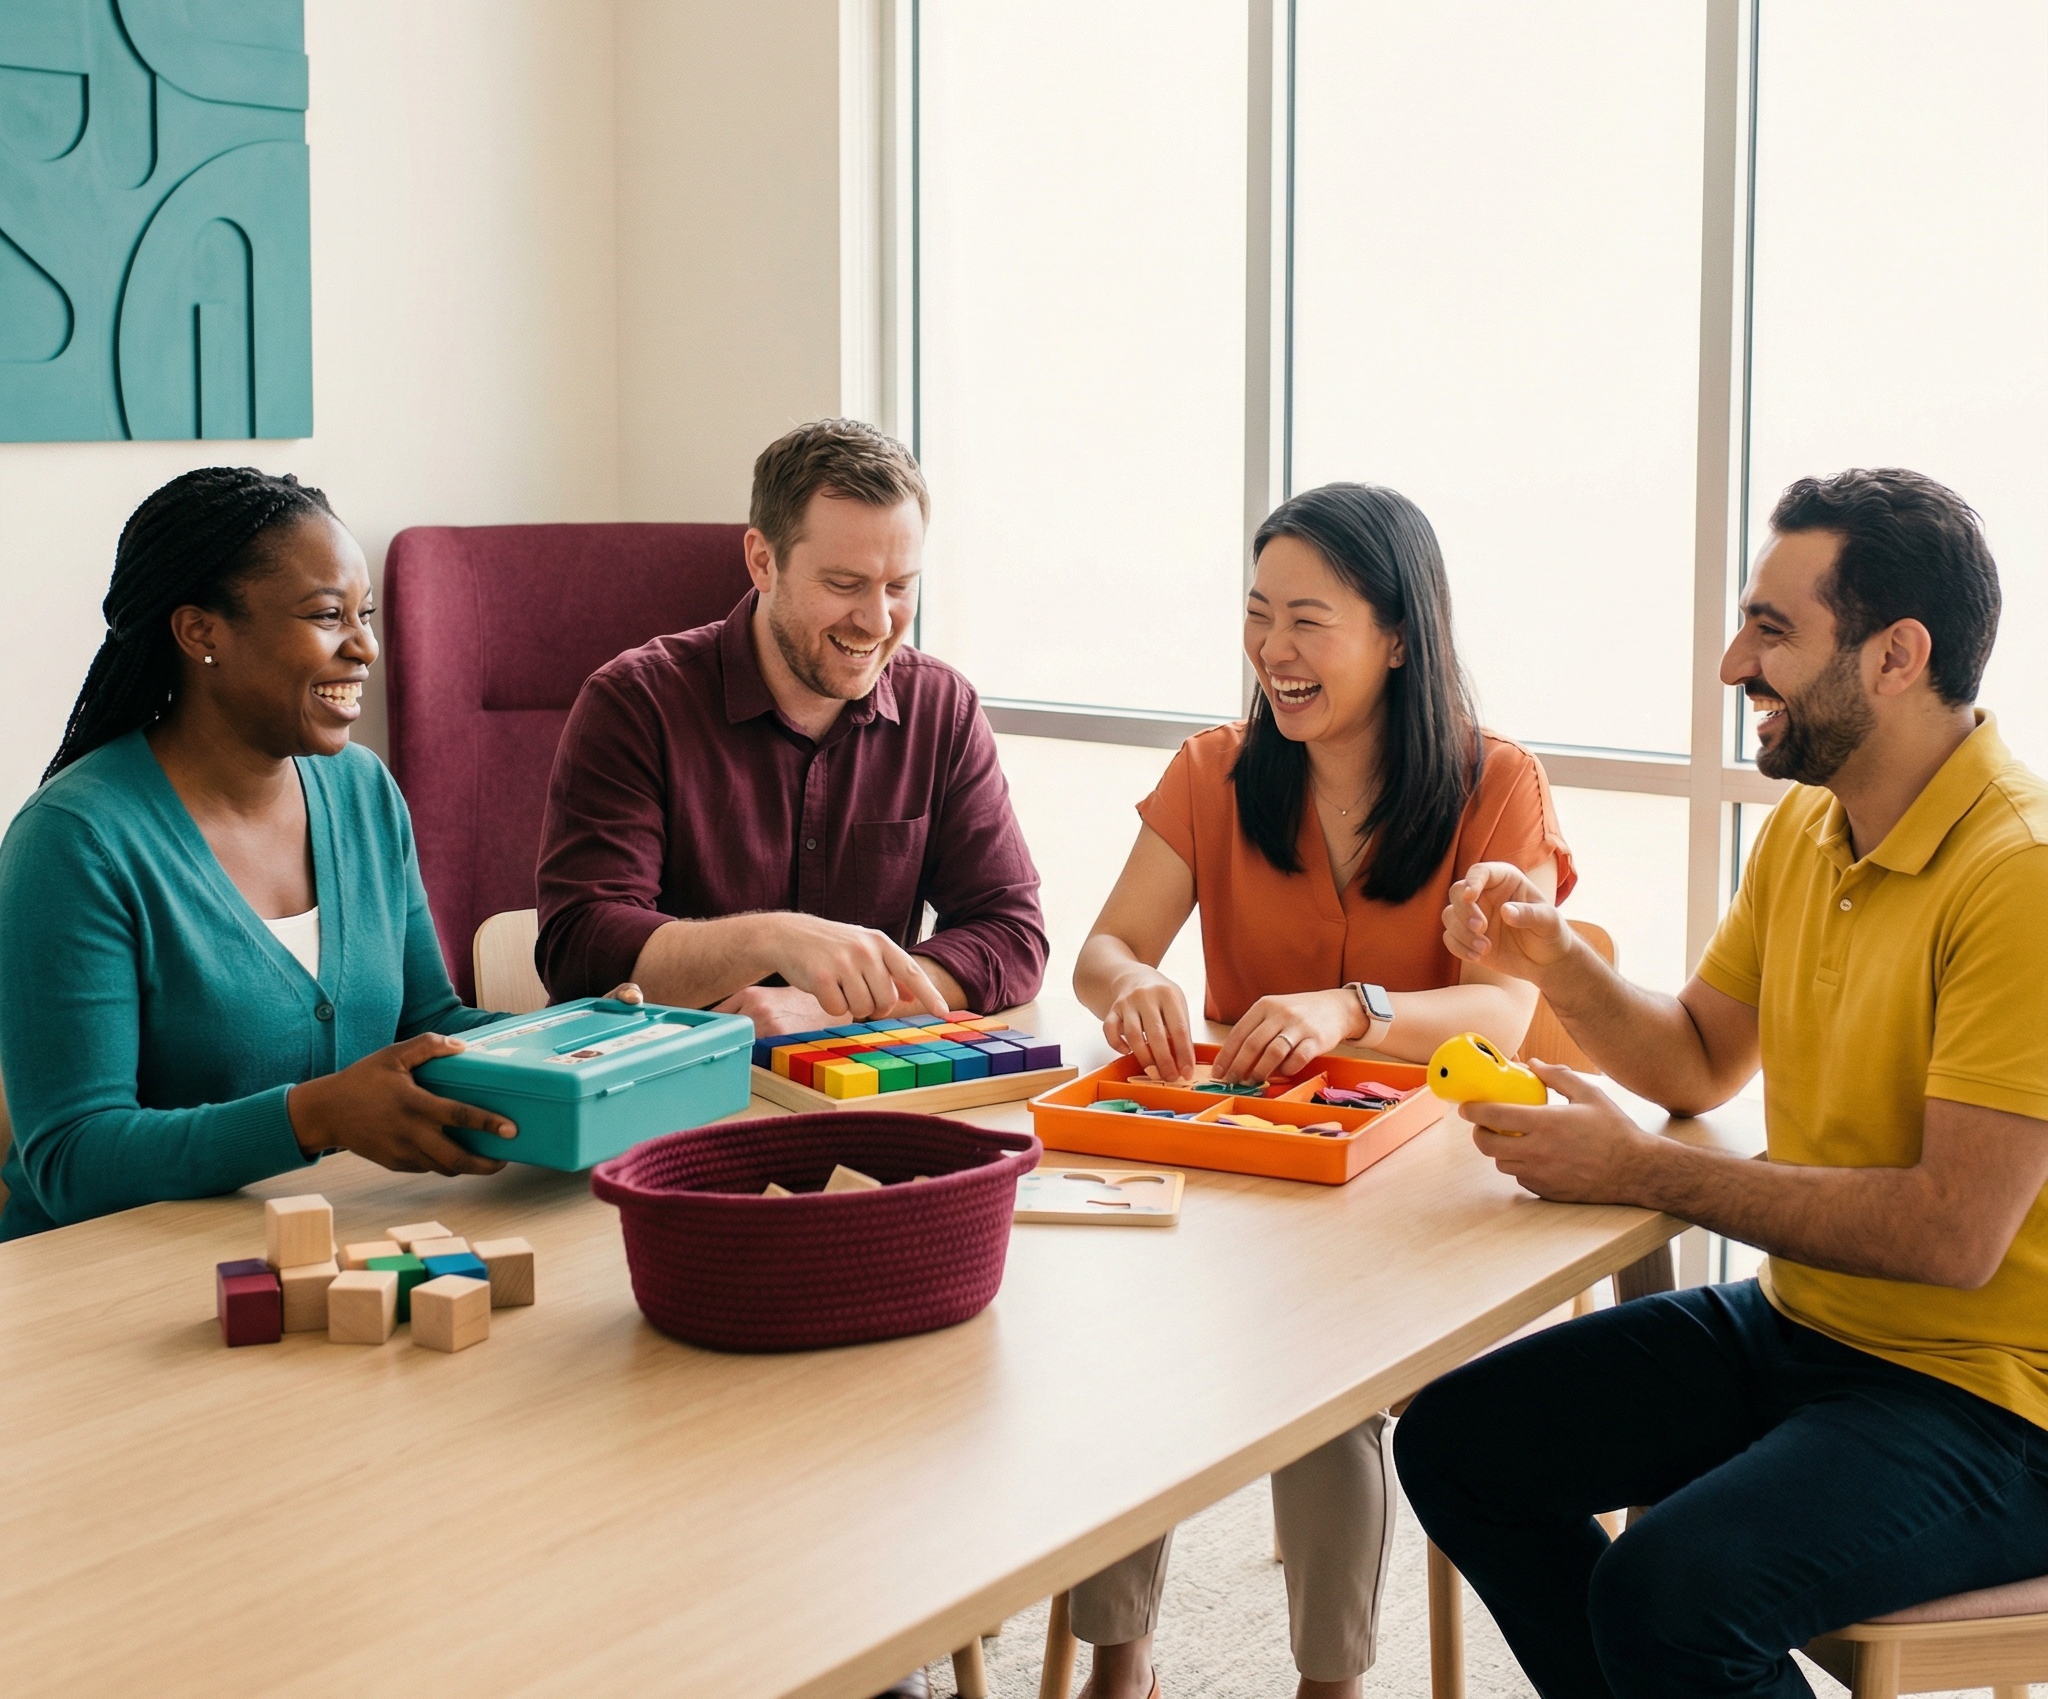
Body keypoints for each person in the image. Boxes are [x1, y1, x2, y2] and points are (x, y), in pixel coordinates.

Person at [1398, 467, 2048, 1699]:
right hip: (1809, 1322)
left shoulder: (2021, 874)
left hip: (1996, 1403)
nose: (1728, 662)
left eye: (1772, 629)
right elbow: (1697, 1051)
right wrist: (1557, 960)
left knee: (1671, 1587)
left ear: (1896, 654)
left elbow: (1954, 1234)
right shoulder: (1812, 826)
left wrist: (1646, 1170)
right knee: (1459, 1444)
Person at [1069, 482, 1574, 1699]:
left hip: (1410, 1173)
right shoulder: (1212, 769)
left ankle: (1330, 1683)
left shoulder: (1495, 781)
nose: (1272, 651)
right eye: (1256, 615)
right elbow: (1101, 950)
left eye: (1307, 619)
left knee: (1323, 1380)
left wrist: (1354, 1005)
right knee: (1117, 1345)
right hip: (1239, 1157)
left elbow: (1504, 1009)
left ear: (1395, 633)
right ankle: (1119, 1663)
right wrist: (1133, 985)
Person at [0, 468, 551, 1240]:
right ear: (202, 633)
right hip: (106, 1292)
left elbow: (429, 1021)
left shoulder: (363, 790)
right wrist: (314, 1117)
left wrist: (589, 1042)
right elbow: (72, 1159)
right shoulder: (75, 842)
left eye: (364, 614)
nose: (365, 647)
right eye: (328, 615)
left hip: (323, 1254)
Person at [535, 419, 1047, 1033]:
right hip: (671, 1086)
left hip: (854, 1085)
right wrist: (771, 939)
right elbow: (581, 947)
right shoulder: (634, 703)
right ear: (762, 561)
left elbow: (1013, 935)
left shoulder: (943, 709)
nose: (878, 621)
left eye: (900, 587)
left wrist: (836, 1005)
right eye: (844, 584)